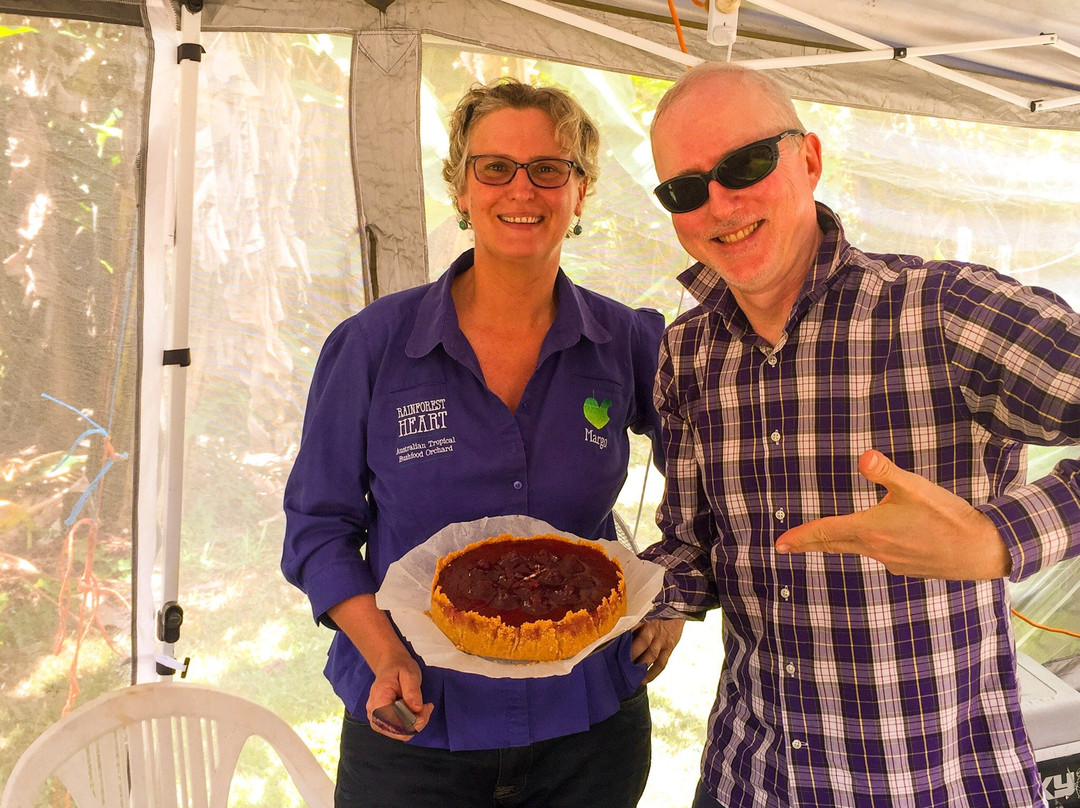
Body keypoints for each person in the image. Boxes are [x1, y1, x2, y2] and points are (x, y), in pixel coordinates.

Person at [640, 61, 1080, 808]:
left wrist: (999, 538)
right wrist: (632, 602)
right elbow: (695, 545)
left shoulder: (943, 312)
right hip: (749, 778)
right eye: (685, 190)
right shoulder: (689, 352)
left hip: (930, 784)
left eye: (744, 165)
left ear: (809, 157)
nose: (719, 203)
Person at [282, 77, 670, 808]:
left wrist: (676, 592)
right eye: (494, 167)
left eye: (548, 168)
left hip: (587, 728)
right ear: (461, 189)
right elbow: (317, 528)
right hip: (414, 719)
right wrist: (384, 653)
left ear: (581, 192)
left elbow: (719, 466)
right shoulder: (373, 346)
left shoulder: (626, 341)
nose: (521, 189)